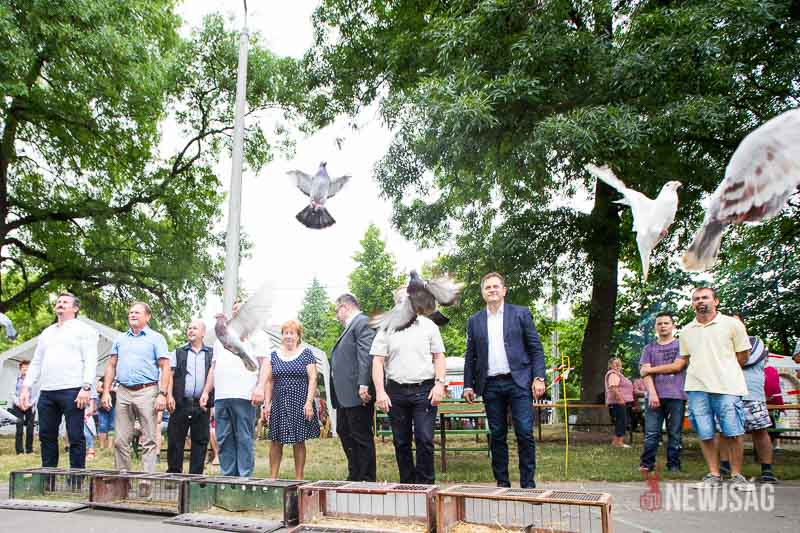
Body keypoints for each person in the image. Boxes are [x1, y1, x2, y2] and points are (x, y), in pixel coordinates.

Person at [642, 287, 754, 491]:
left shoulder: (732, 324)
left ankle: (737, 475)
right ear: (692, 304)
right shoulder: (687, 331)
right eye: (696, 299)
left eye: (705, 297)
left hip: (727, 386)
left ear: (715, 301)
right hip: (696, 388)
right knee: (705, 432)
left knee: (733, 431)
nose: (700, 301)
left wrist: (724, 371)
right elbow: (684, 360)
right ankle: (714, 474)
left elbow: (743, 356)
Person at [463, 272, 546, 488]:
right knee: (497, 434)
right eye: (488, 287)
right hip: (490, 385)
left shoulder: (521, 314)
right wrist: (468, 385)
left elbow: (536, 349)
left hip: (519, 382)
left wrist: (539, 377)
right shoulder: (474, 321)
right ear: (483, 293)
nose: (492, 290)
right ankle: (502, 484)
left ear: (504, 290)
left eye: (496, 286)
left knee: (524, 432)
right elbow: (471, 355)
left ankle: (527, 484)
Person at [372, 287, 447, 485]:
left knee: (425, 439)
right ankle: (407, 485)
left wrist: (440, 384)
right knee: (401, 442)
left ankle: (426, 486)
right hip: (396, 392)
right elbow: (377, 361)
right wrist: (380, 392)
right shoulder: (386, 328)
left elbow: (439, 356)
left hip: (424, 391)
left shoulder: (429, 326)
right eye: (400, 300)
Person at [19, 292, 98, 468]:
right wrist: (26, 387)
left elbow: (91, 360)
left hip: (73, 390)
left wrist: (86, 387)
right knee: (46, 435)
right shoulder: (47, 333)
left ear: (75, 308)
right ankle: (49, 475)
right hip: (47, 391)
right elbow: (37, 361)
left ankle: (76, 477)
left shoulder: (85, 330)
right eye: (58, 301)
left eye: (65, 302)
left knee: (75, 435)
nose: (60, 304)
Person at [200, 302, 269, 478]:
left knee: (244, 438)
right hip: (222, 396)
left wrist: (260, 387)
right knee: (223, 438)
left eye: (241, 309)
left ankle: (244, 479)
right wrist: (206, 391)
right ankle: (228, 478)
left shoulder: (258, 335)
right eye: (235, 310)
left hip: (245, 395)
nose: (238, 312)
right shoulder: (221, 339)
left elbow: (265, 364)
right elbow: (213, 367)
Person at [101, 301, 170, 473]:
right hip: (123, 391)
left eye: (137, 312)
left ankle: (146, 480)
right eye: (131, 312)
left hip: (147, 391)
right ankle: (123, 480)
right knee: (120, 440)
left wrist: (162, 394)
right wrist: (106, 392)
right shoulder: (120, 339)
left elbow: (165, 366)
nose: (132, 315)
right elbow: (111, 365)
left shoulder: (156, 338)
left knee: (149, 440)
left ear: (148, 317)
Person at [718, 314, 777, 483]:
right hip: (727, 393)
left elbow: (746, 360)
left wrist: (723, 361)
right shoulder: (720, 343)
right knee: (724, 432)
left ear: (743, 324)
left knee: (760, 431)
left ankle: (767, 469)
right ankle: (725, 466)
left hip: (752, 395)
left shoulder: (755, 342)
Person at [264, 320, 320, 479]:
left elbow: (313, 378)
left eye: (292, 333)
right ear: (282, 336)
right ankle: (272, 478)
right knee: (276, 440)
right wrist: (267, 404)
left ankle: (299, 478)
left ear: (298, 336)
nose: (288, 336)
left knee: (299, 441)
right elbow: (269, 381)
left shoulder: (306, 353)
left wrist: (309, 402)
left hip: (300, 402)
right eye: (285, 333)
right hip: (279, 402)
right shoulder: (274, 355)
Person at [329, 294, 377, 481]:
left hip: (358, 392)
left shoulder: (362, 323)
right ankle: (355, 473)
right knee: (345, 431)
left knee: (361, 435)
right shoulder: (351, 327)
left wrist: (364, 384)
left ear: (345, 307)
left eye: (337, 311)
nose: (336, 316)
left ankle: (366, 478)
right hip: (344, 395)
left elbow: (366, 355)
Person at [638, 312, 686, 473]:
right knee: (652, 432)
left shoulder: (681, 345)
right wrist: (652, 393)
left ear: (673, 326)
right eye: (659, 323)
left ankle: (674, 465)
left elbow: (677, 366)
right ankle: (647, 463)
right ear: (655, 327)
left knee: (675, 433)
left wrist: (650, 369)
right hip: (654, 396)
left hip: (676, 396)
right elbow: (644, 374)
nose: (663, 326)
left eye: (666, 323)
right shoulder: (649, 348)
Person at [167, 319, 214, 474]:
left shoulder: (211, 353)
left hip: (201, 405)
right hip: (180, 403)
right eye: (189, 328)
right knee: (175, 440)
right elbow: (170, 375)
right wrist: (169, 396)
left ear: (203, 333)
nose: (191, 331)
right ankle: (174, 474)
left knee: (200, 441)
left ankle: (195, 478)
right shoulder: (178, 352)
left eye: (195, 328)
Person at [605, 358, 633, 449]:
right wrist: (620, 399)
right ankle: (619, 443)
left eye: (619, 363)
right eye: (615, 363)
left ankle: (616, 442)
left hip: (620, 402)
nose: (618, 365)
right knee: (621, 421)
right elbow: (614, 388)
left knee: (622, 421)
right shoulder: (613, 374)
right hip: (618, 402)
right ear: (610, 365)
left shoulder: (618, 374)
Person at [9, 361, 36, 455]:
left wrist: (30, 404)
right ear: (20, 369)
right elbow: (12, 393)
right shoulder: (15, 379)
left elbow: (36, 394)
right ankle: (19, 451)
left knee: (30, 429)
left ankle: (29, 450)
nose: (26, 369)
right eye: (24, 368)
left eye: (27, 368)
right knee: (19, 428)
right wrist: (19, 403)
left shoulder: (34, 380)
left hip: (30, 406)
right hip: (18, 406)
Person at [96, 377, 115, 450]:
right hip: (103, 405)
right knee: (102, 425)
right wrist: (110, 389)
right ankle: (102, 446)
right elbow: (98, 389)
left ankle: (110, 446)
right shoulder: (103, 378)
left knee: (112, 426)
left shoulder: (119, 379)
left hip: (115, 405)